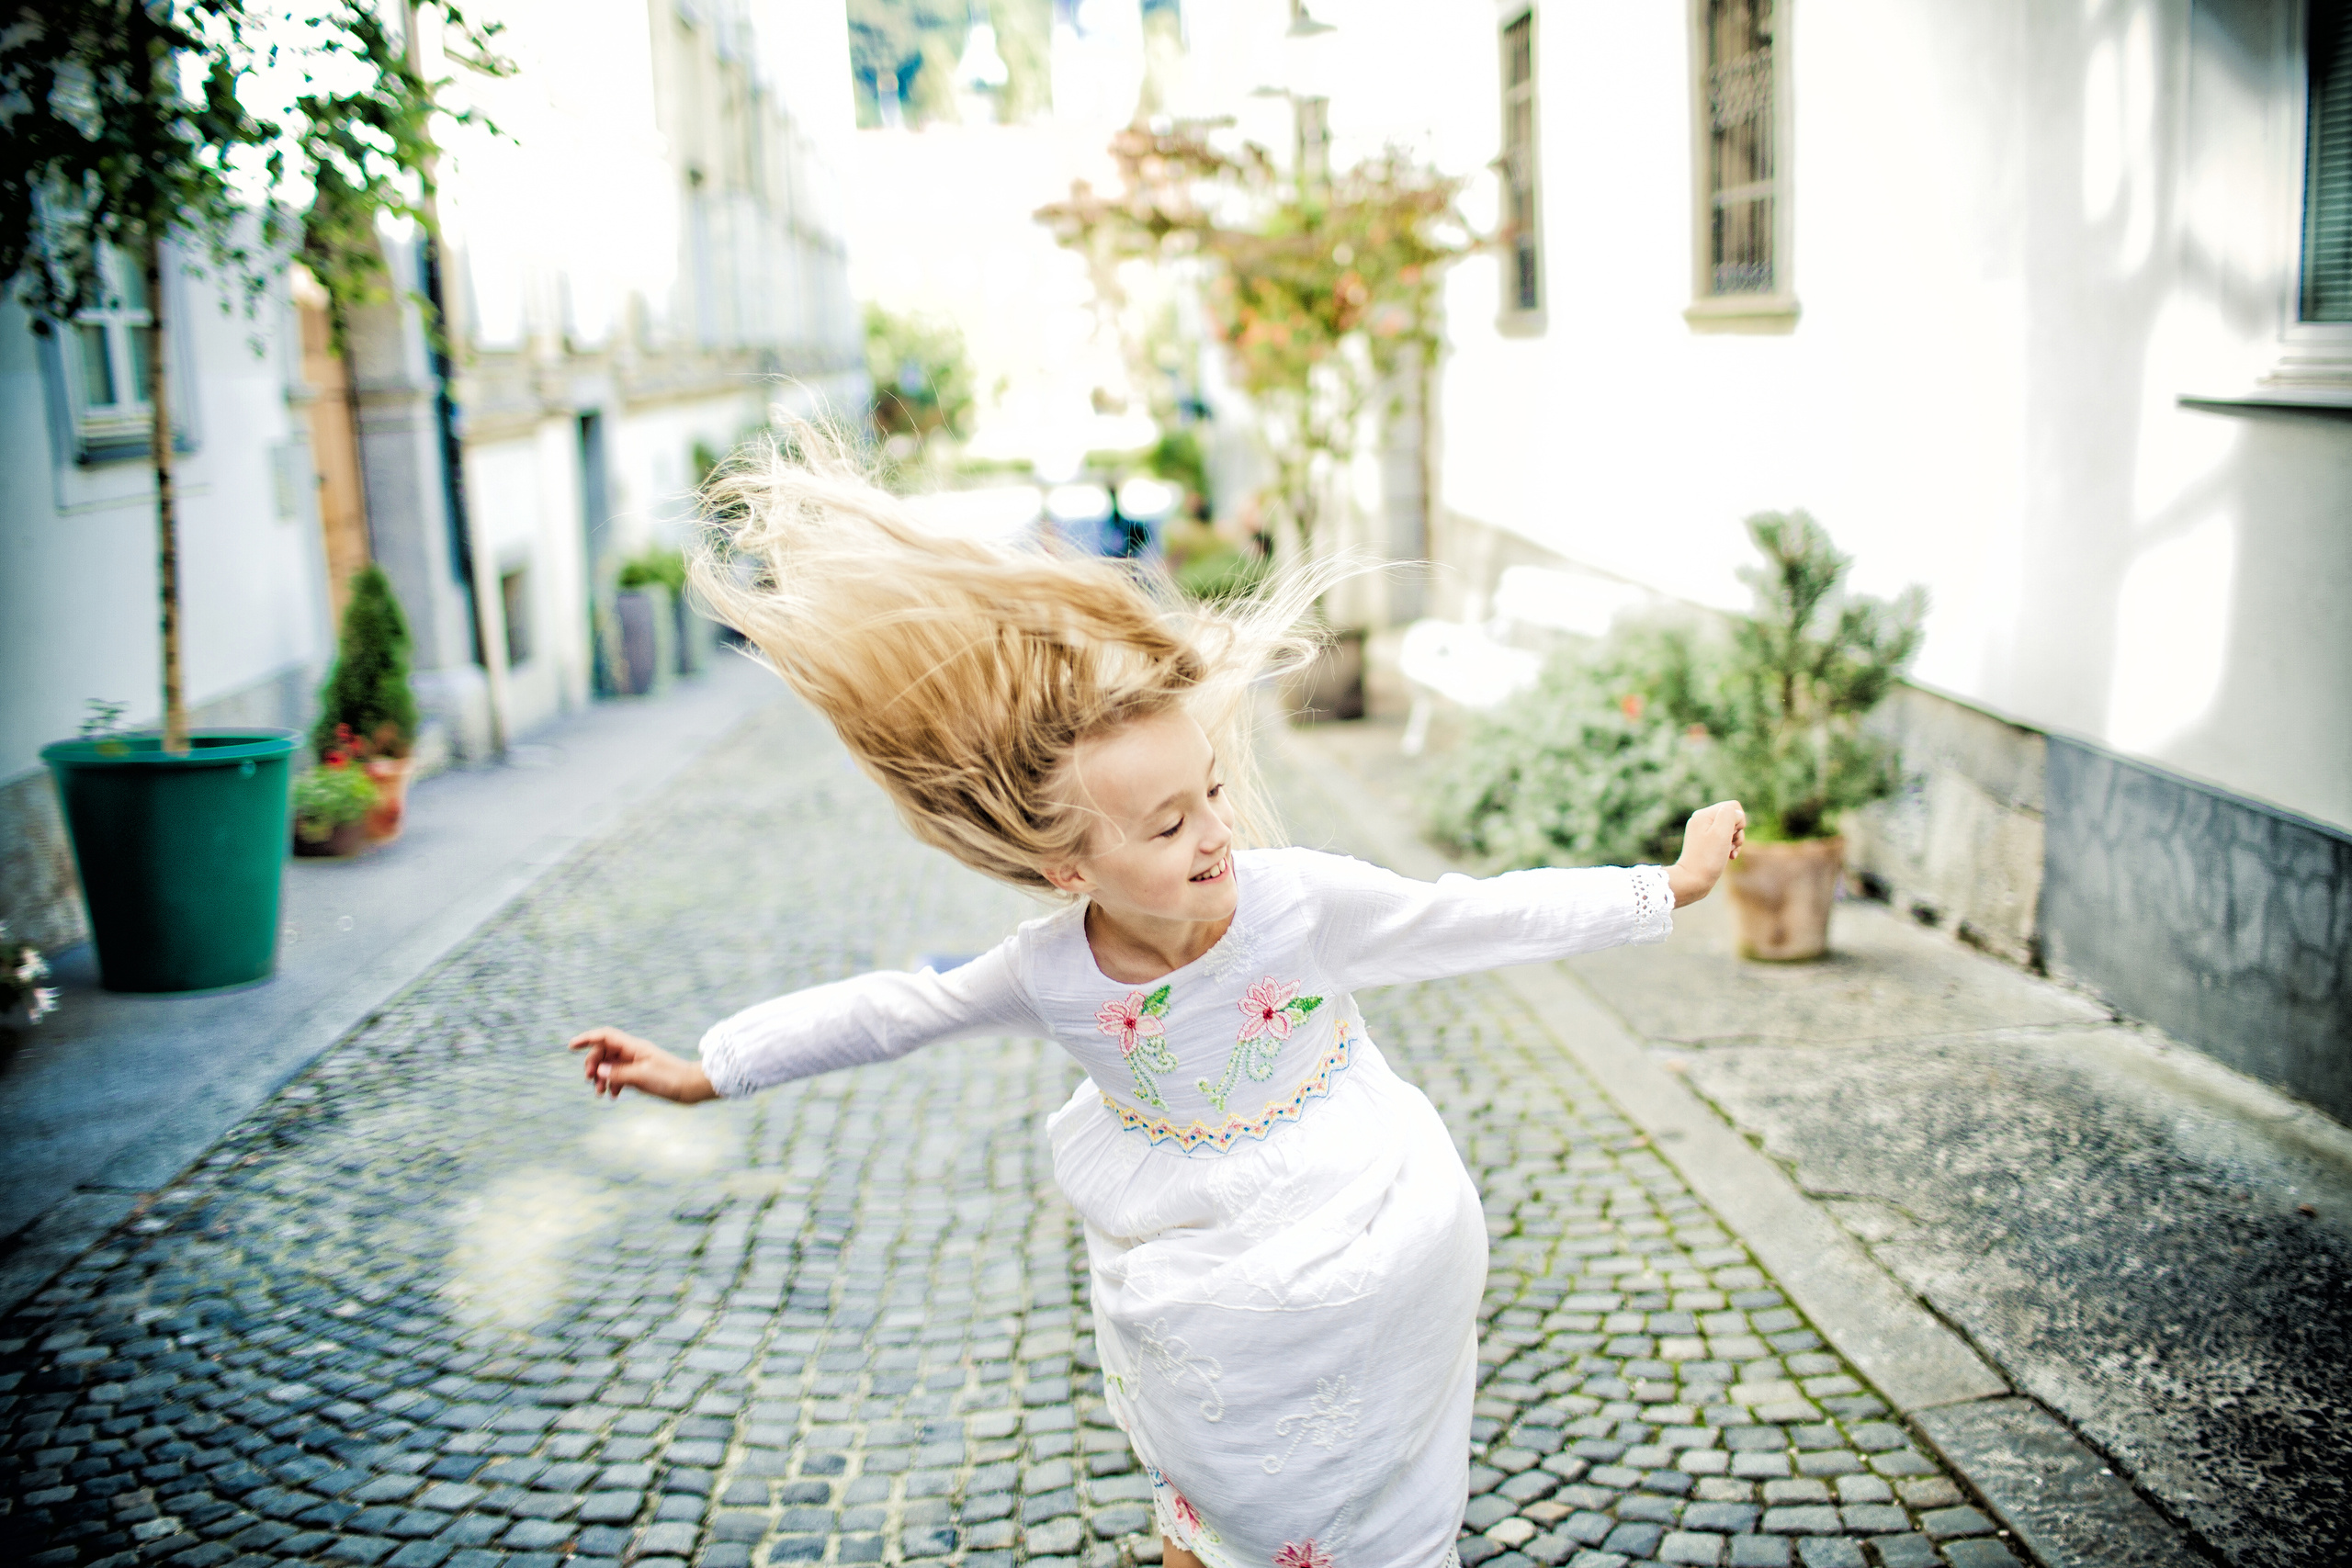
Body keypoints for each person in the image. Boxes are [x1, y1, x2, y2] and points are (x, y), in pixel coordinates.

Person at [570, 423, 1747, 1568]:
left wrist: (1666, 887)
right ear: (1067, 869)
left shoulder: (1298, 903)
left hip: (1370, 1232)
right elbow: (893, 1013)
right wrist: (710, 1070)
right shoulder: (1050, 970)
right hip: (1199, 1287)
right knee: (1215, 1484)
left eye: (1213, 793)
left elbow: (1472, 916)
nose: (1215, 834)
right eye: (1169, 824)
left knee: (1365, 1509)